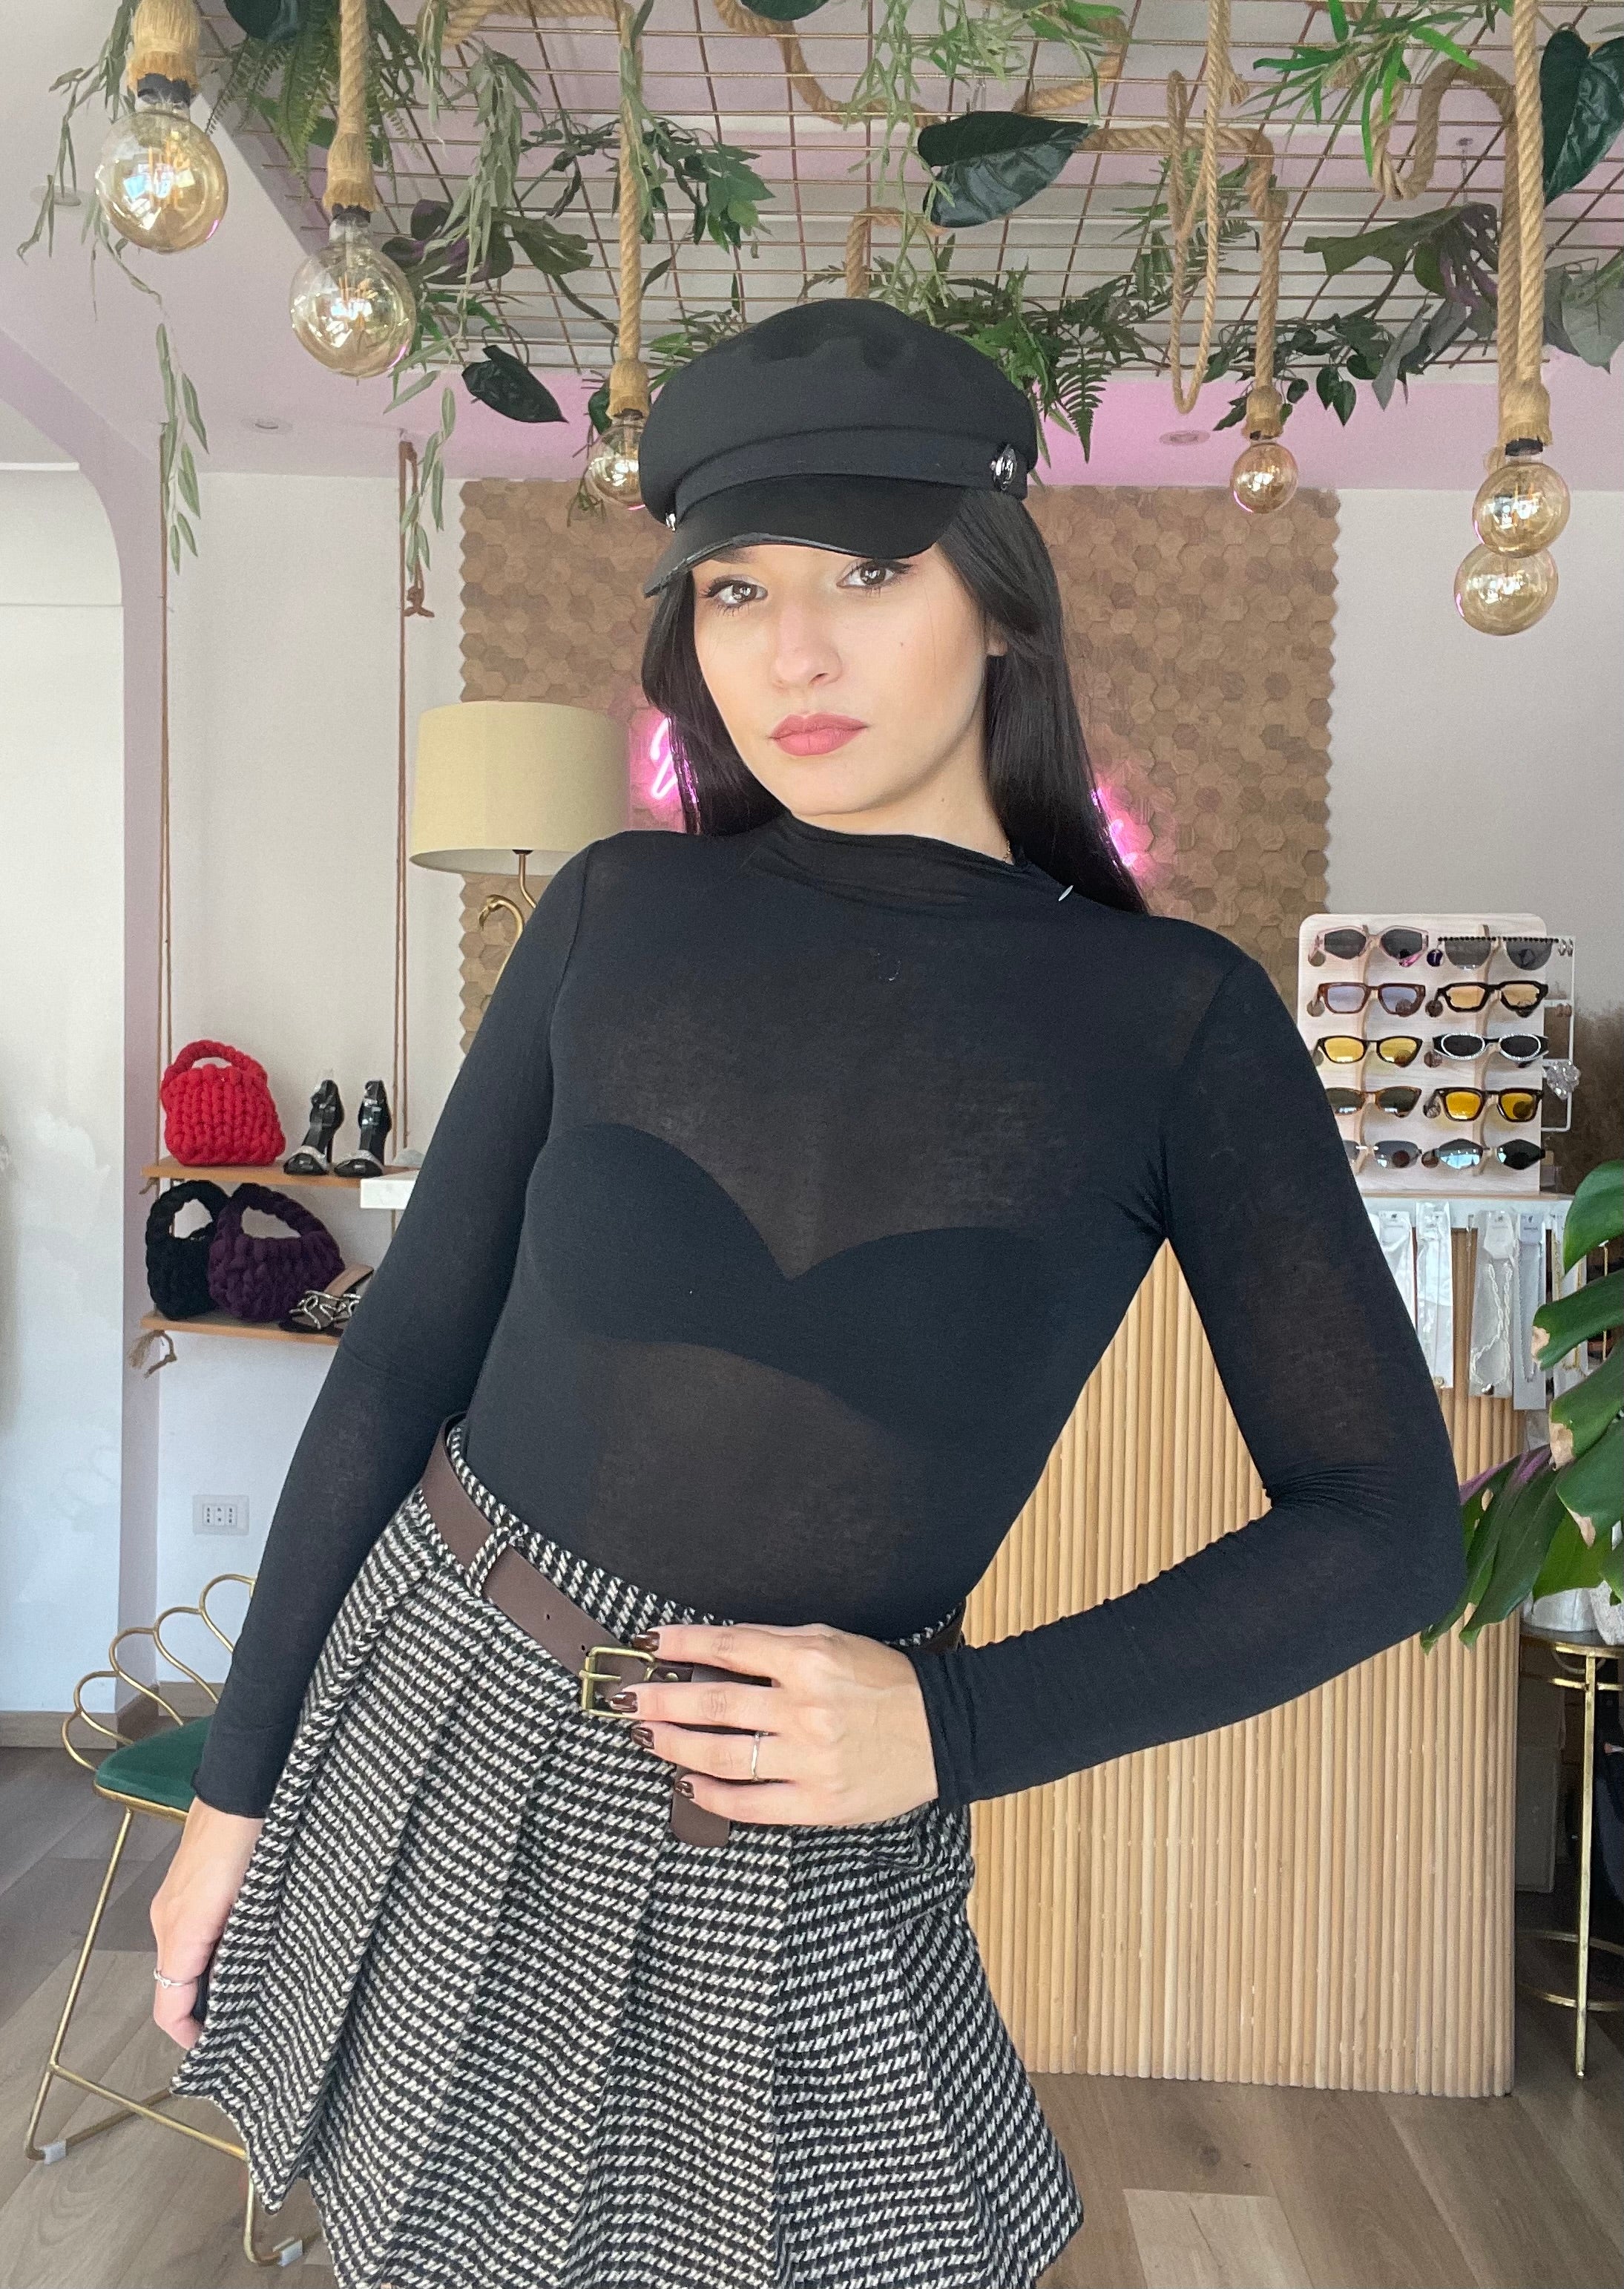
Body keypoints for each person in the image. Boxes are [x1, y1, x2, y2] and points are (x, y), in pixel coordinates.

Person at [151, 298, 1466, 2289]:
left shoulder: (1175, 1021)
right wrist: (230, 1803)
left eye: (868, 572)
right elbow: (399, 1362)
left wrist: (958, 1723)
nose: (794, 655)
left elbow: (1388, 1529)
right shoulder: (615, 910)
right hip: (441, 1695)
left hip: (790, 1810)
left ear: (1001, 600)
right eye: (737, 590)